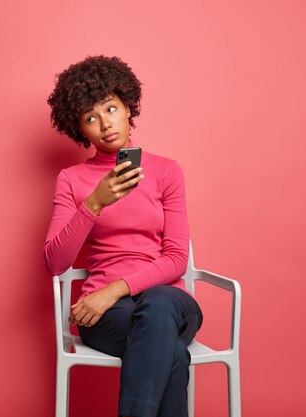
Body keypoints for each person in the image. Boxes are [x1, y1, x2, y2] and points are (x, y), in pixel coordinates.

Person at [44, 55, 203, 417]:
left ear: (128, 108)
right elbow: (55, 262)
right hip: (106, 316)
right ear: (79, 129)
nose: (105, 124)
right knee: (171, 353)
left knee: (159, 304)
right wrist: (94, 204)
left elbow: (177, 258)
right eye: (90, 118)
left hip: (167, 305)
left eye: (111, 109)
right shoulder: (72, 180)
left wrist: (112, 290)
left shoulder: (166, 171)